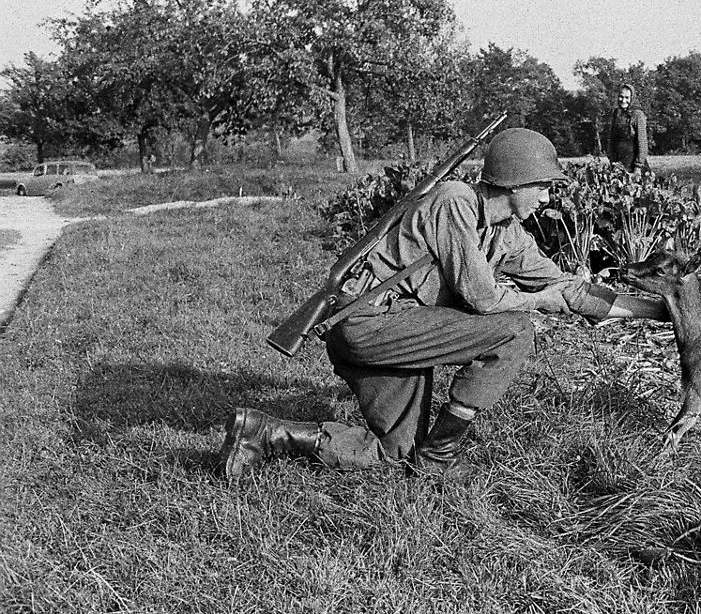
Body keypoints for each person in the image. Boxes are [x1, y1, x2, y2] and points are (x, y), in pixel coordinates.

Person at [220, 128, 668, 481]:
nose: (548, 198)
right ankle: (440, 455)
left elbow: (568, 288)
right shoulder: (455, 201)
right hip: (369, 323)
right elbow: (483, 297)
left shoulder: (507, 232)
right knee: (515, 329)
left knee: (394, 455)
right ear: (515, 182)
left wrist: (664, 311)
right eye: (544, 186)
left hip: (399, 330)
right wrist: (539, 302)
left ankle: (265, 433)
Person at [595, 83, 648, 171]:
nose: (623, 100)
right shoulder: (616, 114)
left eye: (627, 98)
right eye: (621, 96)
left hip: (633, 165)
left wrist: (638, 167)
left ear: (632, 98)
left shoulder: (637, 115)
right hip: (618, 164)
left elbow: (642, 142)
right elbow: (611, 140)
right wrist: (612, 160)